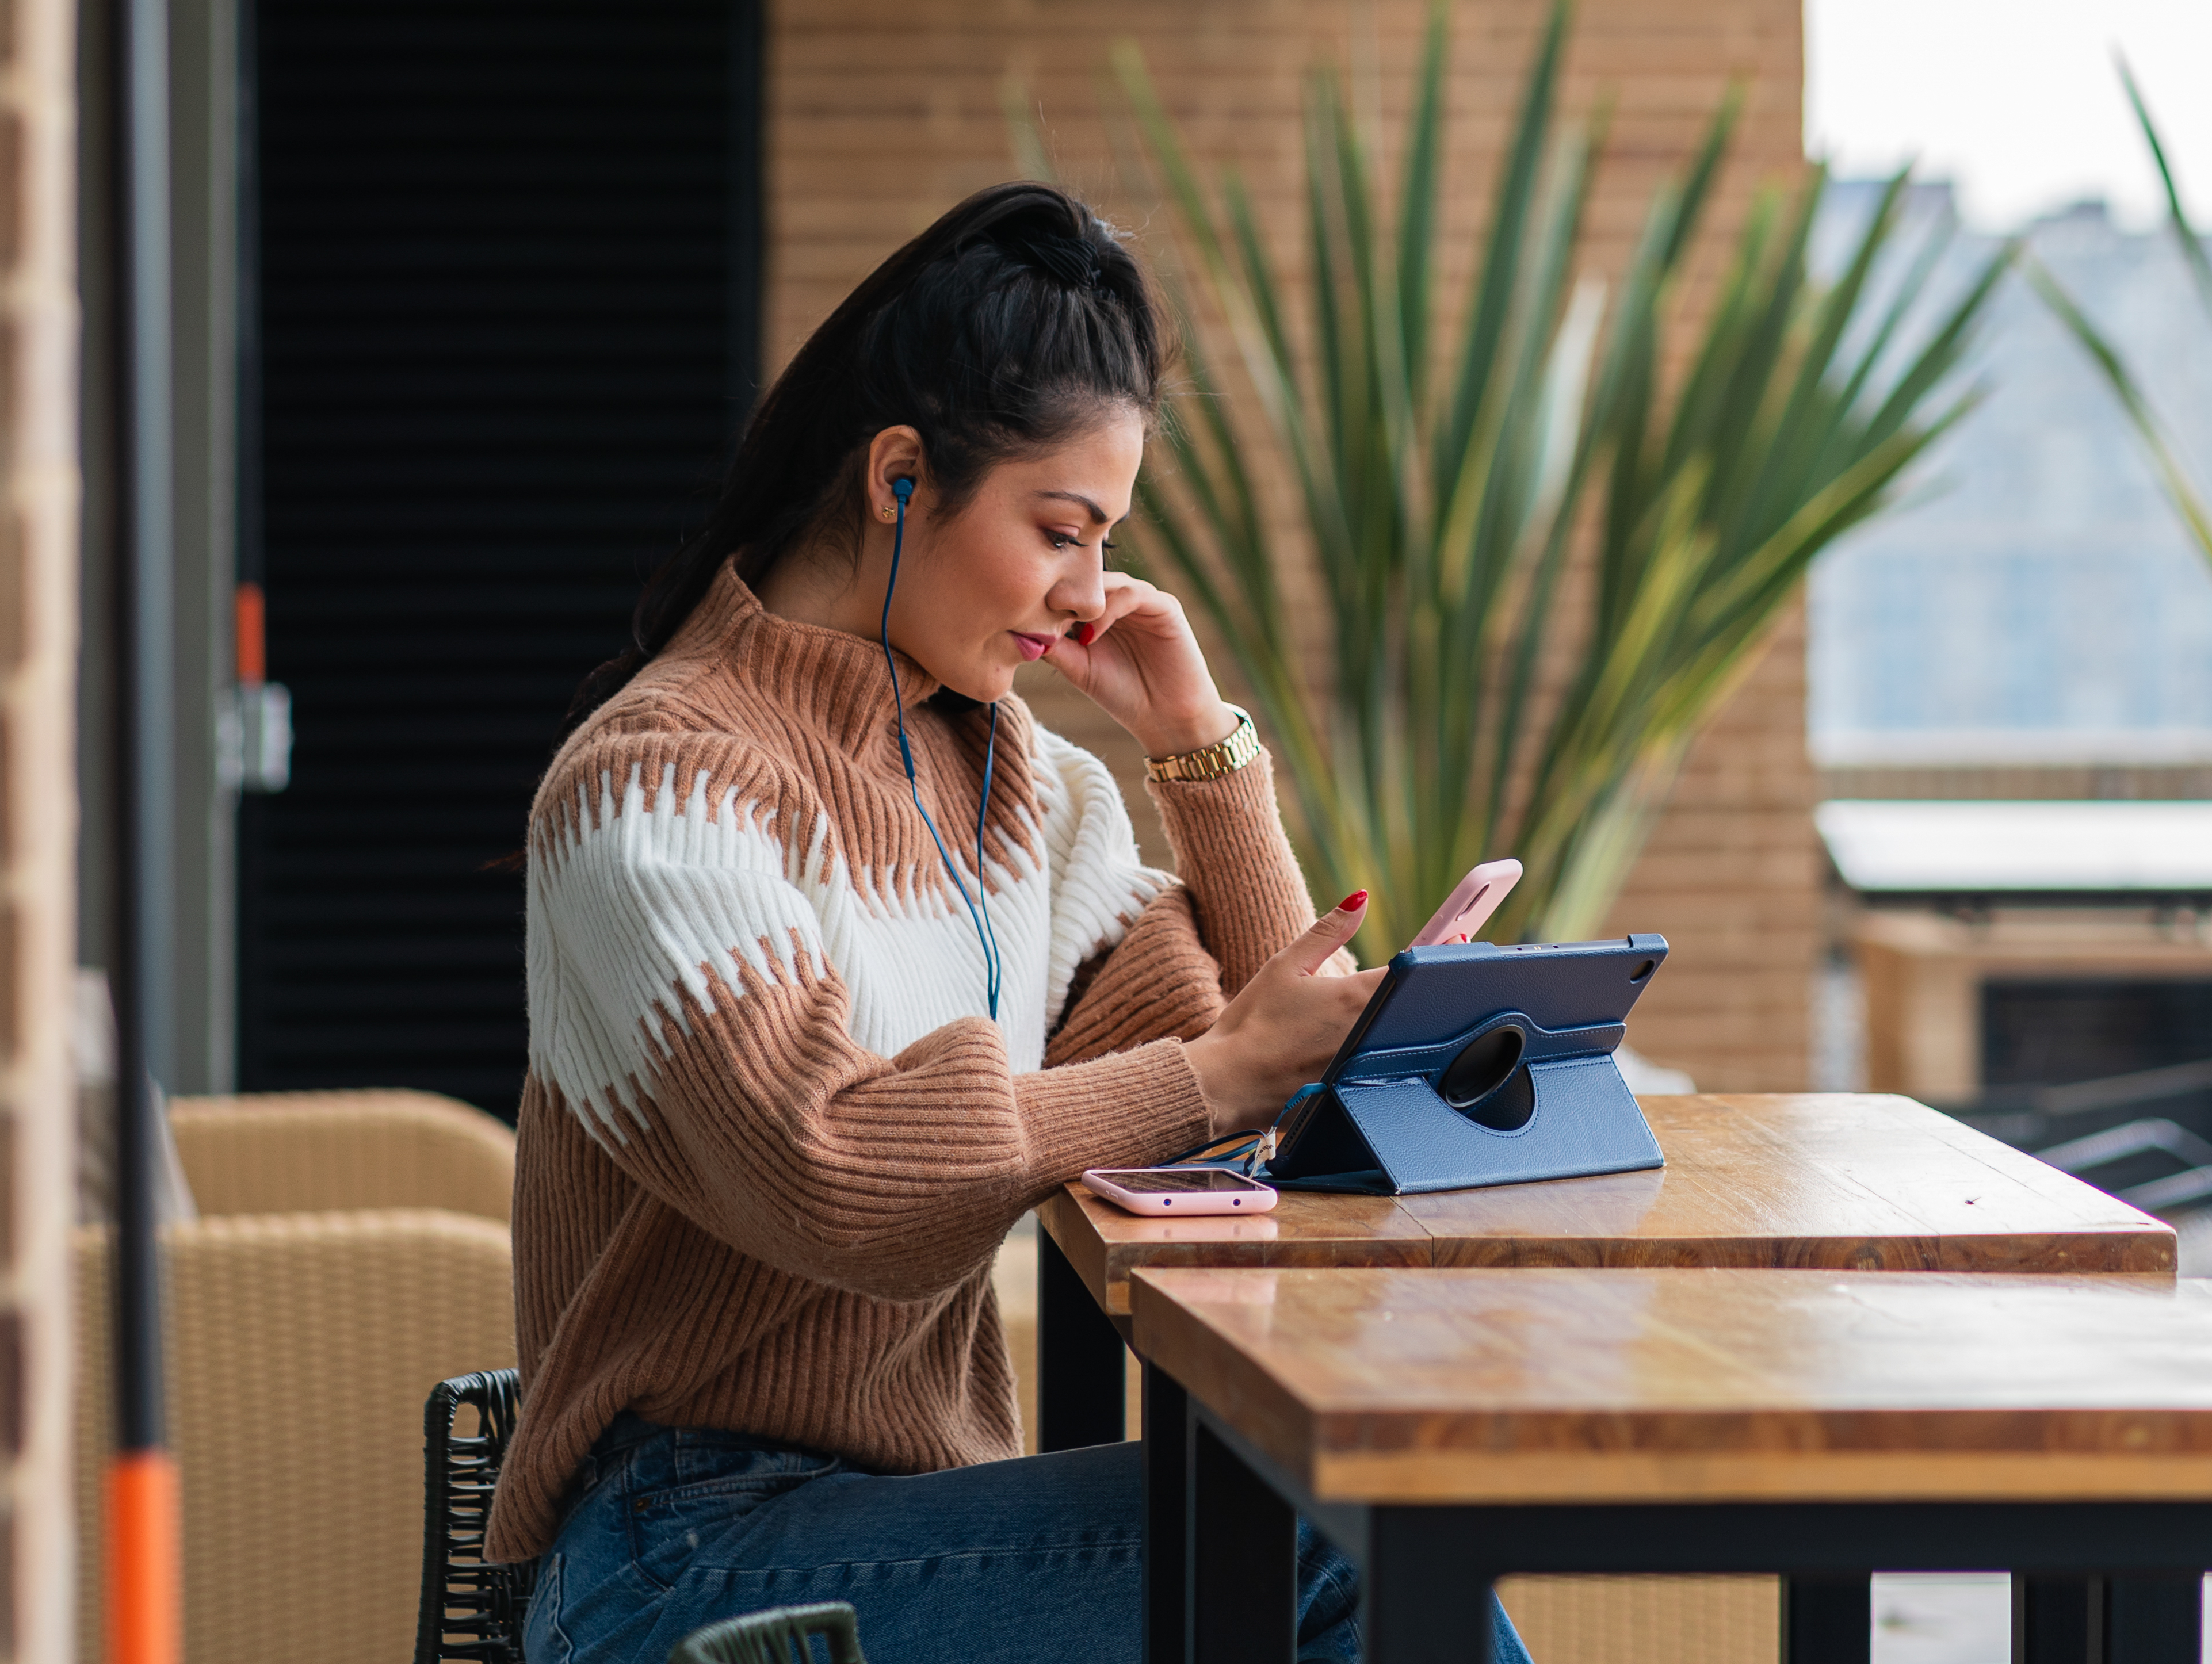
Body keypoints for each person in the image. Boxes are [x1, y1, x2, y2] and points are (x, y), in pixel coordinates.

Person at [497, 182, 1527, 1664]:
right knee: (1332, 1540)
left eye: (1106, 542)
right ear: (900, 476)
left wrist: (1199, 748)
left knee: (1338, 1522)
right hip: (674, 1558)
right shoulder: (656, 786)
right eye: (1061, 531)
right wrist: (1221, 1073)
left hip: (915, 1518)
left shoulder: (1008, 780)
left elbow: (1269, 1079)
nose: (1086, 596)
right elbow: (833, 1176)